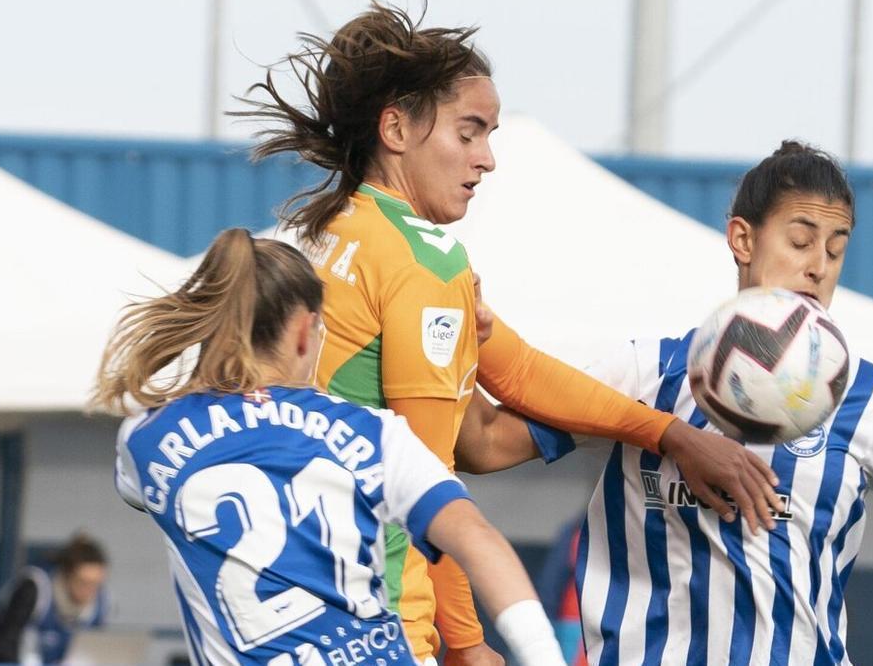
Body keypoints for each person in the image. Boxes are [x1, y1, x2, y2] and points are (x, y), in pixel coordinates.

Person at [238, 0, 780, 665]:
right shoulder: (422, 261)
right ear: (396, 128)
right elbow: (434, 482)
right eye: (469, 132)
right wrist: (466, 643)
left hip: (281, 604)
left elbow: (517, 378)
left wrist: (668, 432)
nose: (487, 159)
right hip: (374, 618)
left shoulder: (326, 233)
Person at [453, 141, 873, 665]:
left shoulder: (871, 398)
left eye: (836, 249)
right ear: (742, 240)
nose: (819, 265)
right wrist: (450, 323)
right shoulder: (648, 373)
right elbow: (483, 444)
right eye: (800, 240)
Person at [93, 229, 566, 666]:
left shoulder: (146, 440)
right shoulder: (376, 433)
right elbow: (477, 540)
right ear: (305, 329)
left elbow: (151, 482)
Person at [0, 534, 108, 664]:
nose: (89, 591)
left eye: (96, 584)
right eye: (83, 583)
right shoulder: (35, 588)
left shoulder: (100, 601)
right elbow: (4, 644)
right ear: (66, 575)